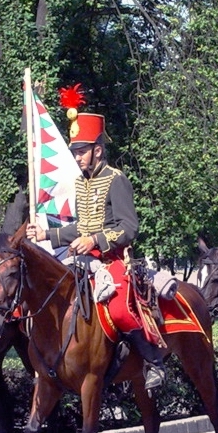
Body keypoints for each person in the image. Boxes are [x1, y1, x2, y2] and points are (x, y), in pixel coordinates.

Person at [26, 87, 167, 390]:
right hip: (83, 259)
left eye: (81, 151)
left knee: (118, 309)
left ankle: (154, 361)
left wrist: (95, 241)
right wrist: (46, 234)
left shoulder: (116, 180)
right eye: (75, 151)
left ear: (98, 150)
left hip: (113, 259)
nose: (77, 156)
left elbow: (129, 228)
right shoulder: (80, 183)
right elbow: (80, 226)